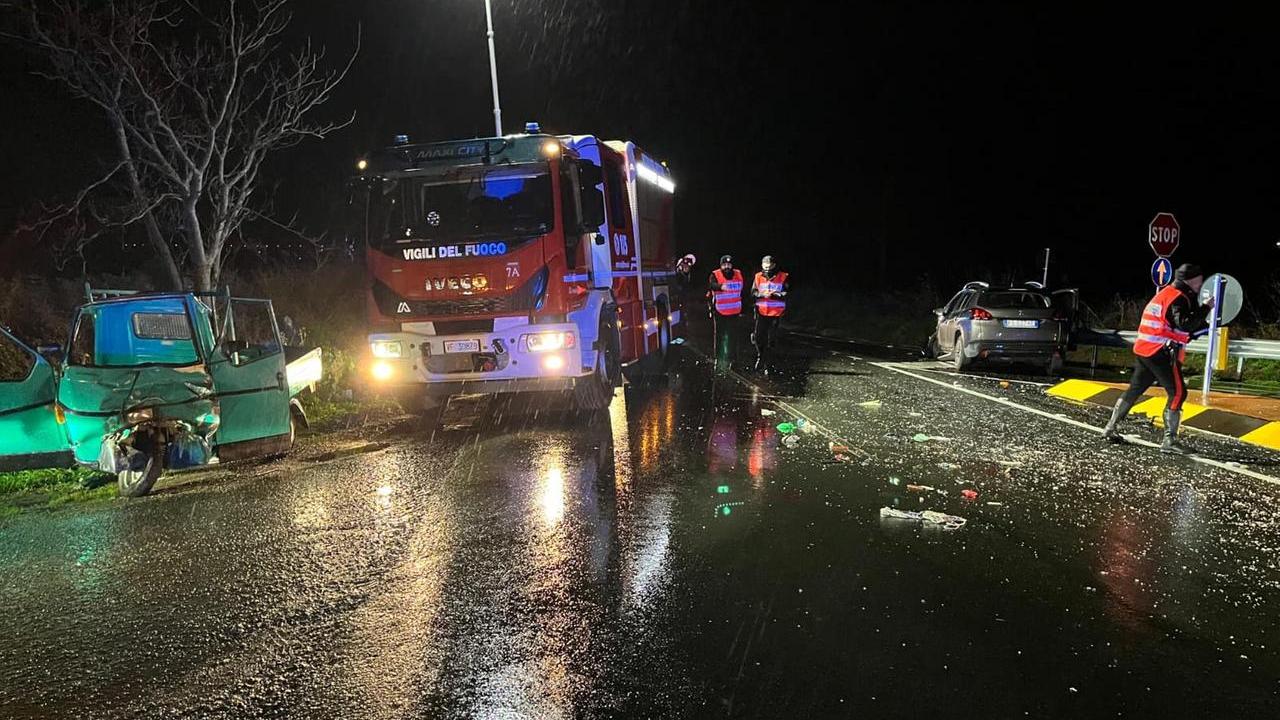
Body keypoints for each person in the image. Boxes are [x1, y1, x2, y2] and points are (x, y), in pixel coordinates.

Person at [1102, 263, 1213, 454]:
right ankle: (1170, 441)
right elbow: (1184, 324)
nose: (1200, 284)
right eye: (1199, 281)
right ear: (1190, 280)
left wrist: (1196, 327)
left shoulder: (1166, 293)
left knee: (1135, 389)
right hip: (1159, 351)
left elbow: (1172, 325)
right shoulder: (1178, 298)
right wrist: (1206, 308)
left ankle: (1110, 428)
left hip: (1144, 348)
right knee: (1178, 393)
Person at [751, 255, 789, 373]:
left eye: (769, 265)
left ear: (774, 265)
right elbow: (753, 291)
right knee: (758, 337)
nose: (767, 267)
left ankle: (769, 364)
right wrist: (762, 294)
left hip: (775, 313)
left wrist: (776, 295)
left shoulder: (783, 276)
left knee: (771, 339)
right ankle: (761, 356)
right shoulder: (758, 276)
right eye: (765, 265)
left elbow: (786, 291)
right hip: (761, 312)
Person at [708, 255, 744, 370]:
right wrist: (720, 286)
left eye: (729, 265)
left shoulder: (738, 274)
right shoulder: (715, 274)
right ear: (721, 265)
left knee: (733, 337)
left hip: (735, 311)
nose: (727, 267)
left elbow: (743, 290)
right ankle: (718, 359)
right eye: (724, 265)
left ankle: (733, 360)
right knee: (720, 336)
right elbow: (711, 285)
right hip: (720, 311)